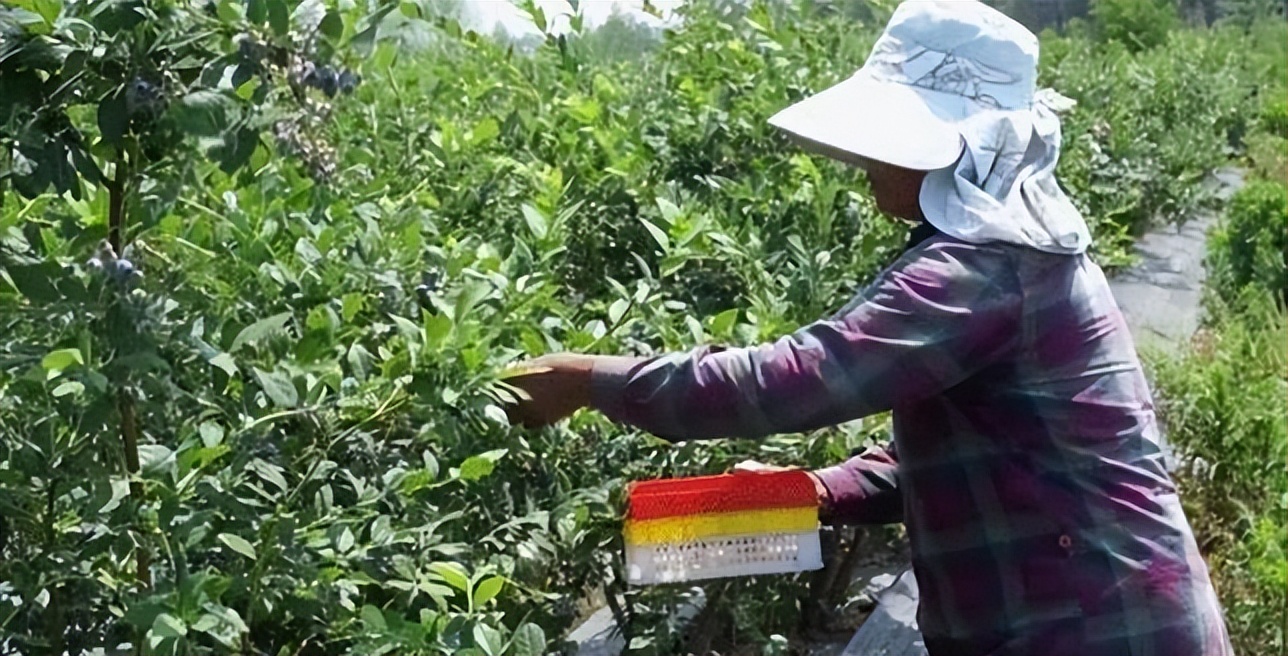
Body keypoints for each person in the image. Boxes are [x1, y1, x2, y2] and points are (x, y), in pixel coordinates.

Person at [500, 2, 1234, 655]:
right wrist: (818, 489)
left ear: (960, 149)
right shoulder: (1002, 256)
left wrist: (586, 382)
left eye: (894, 141)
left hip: (1095, 628)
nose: (866, 162)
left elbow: (797, 378)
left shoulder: (987, 271)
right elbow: (963, 448)